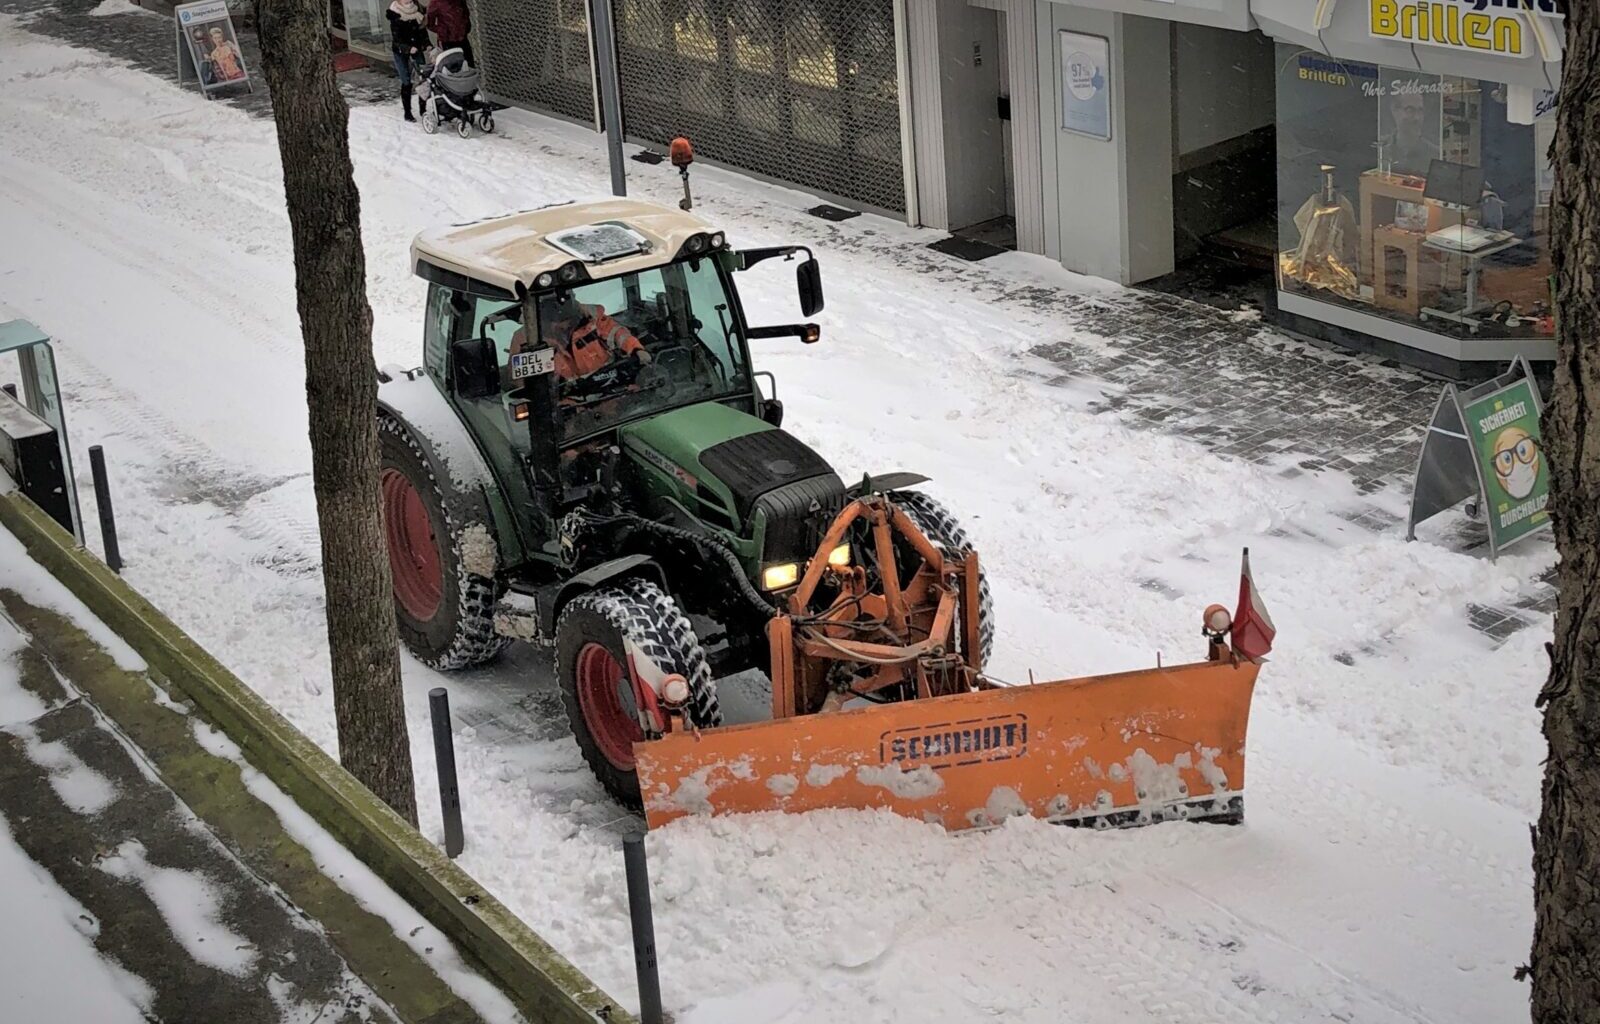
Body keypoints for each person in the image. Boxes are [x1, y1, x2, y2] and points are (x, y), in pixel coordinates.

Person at [511, 293, 652, 385]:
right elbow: (524, 384)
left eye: (570, 321)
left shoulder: (592, 320)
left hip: (613, 388)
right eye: (561, 324)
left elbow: (617, 333)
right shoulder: (528, 341)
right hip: (567, 407)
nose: (567, 326)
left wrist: (636, 349)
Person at [387, 0, 430, 122]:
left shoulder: (416, 10)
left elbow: (422, 31)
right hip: (401, 50)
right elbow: (397, 39)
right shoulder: (395, 13)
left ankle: (423, 109)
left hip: (416, 48)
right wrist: (407, 48)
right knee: (406, 80)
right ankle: (407, 112)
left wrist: (427, 44)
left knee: (423, 78)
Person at [423, 0, 473, 66]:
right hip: (447, 40)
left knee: (468, 63)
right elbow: (429, 24)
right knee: (452, 65)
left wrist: (465, 26)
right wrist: (442, 30)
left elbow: (465, 12)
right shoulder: (436, 3)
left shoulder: (458, 2)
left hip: (462, 37)